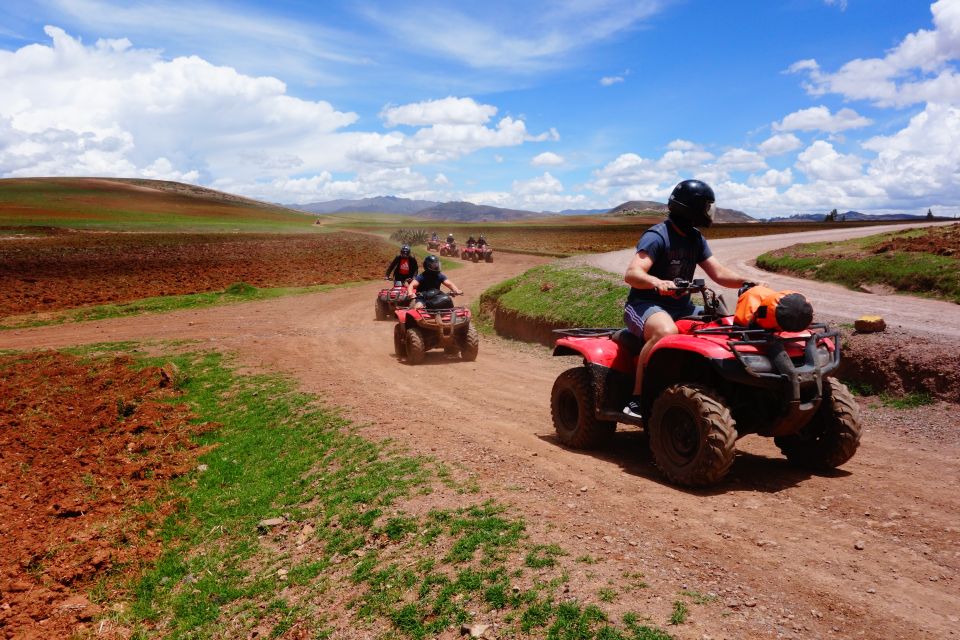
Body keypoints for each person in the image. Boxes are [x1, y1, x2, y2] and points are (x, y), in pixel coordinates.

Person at [621, 179, 756, 419]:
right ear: (691, 209)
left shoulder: (695, 238)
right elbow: (632, 274)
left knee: (722, 329)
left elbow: (719, 273)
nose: (709, 212)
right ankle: (637, 399)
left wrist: (747, 282)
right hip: (644, 305)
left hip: (681, 307)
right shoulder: (657, 236)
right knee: (665, 332)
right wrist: (657, 282)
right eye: (706, 207)